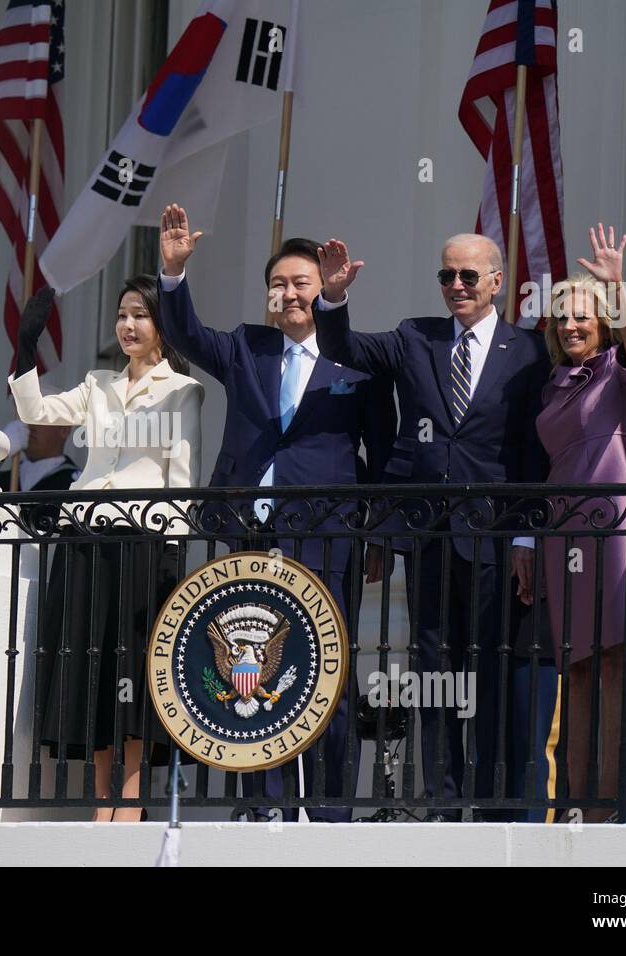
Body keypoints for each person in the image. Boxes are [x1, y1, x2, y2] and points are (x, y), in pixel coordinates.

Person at [156, 204, 397, 823]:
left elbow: (381, 451)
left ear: (326, 290)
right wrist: (174, 273)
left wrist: (376, 537)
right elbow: (185, 336)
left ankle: (330, 804)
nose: (289, 294)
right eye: (280, 284)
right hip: (251, 533)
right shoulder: (245, 347)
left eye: (302, 283)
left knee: (325, 674)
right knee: (251, 671)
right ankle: (261, 806)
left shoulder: (357, 361)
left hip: (327, 533)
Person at [313, 232, 551, 819]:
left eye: (469, 276)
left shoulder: (527, 350)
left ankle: (491, 804)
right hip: (428, 536)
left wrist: (526, 535)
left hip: (494, 535)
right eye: (447, 276)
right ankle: (443, 804)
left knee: (490, 668)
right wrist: (334, 299)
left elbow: (532, 452)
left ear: (498, 281)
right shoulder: (414, 336)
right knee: (434, 671)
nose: (457, 287)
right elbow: (345, 347)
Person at [9, 276, 202, 822]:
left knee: (136, 676)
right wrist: (25, 353)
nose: (128, 325)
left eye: (140, 314)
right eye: (122, 314)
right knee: (91, 672)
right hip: (85, 541)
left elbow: (182, 481)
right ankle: (102, 807)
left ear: (162, 325)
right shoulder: (97, 384)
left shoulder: (183, 391)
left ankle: (133, 806)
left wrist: (173, 558)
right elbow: (39, 414)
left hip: (143, 545)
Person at [535, 224, 626, 823]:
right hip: (565, 532)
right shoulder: (553, 383)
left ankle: (607, 801)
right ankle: (574, 801)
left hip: (613, 530)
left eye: (583, 316)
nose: (573, 326)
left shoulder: (617, 373)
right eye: (563, 320)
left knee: (610, 660)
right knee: (574, 667)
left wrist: (617, 288)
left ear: (601, 322)